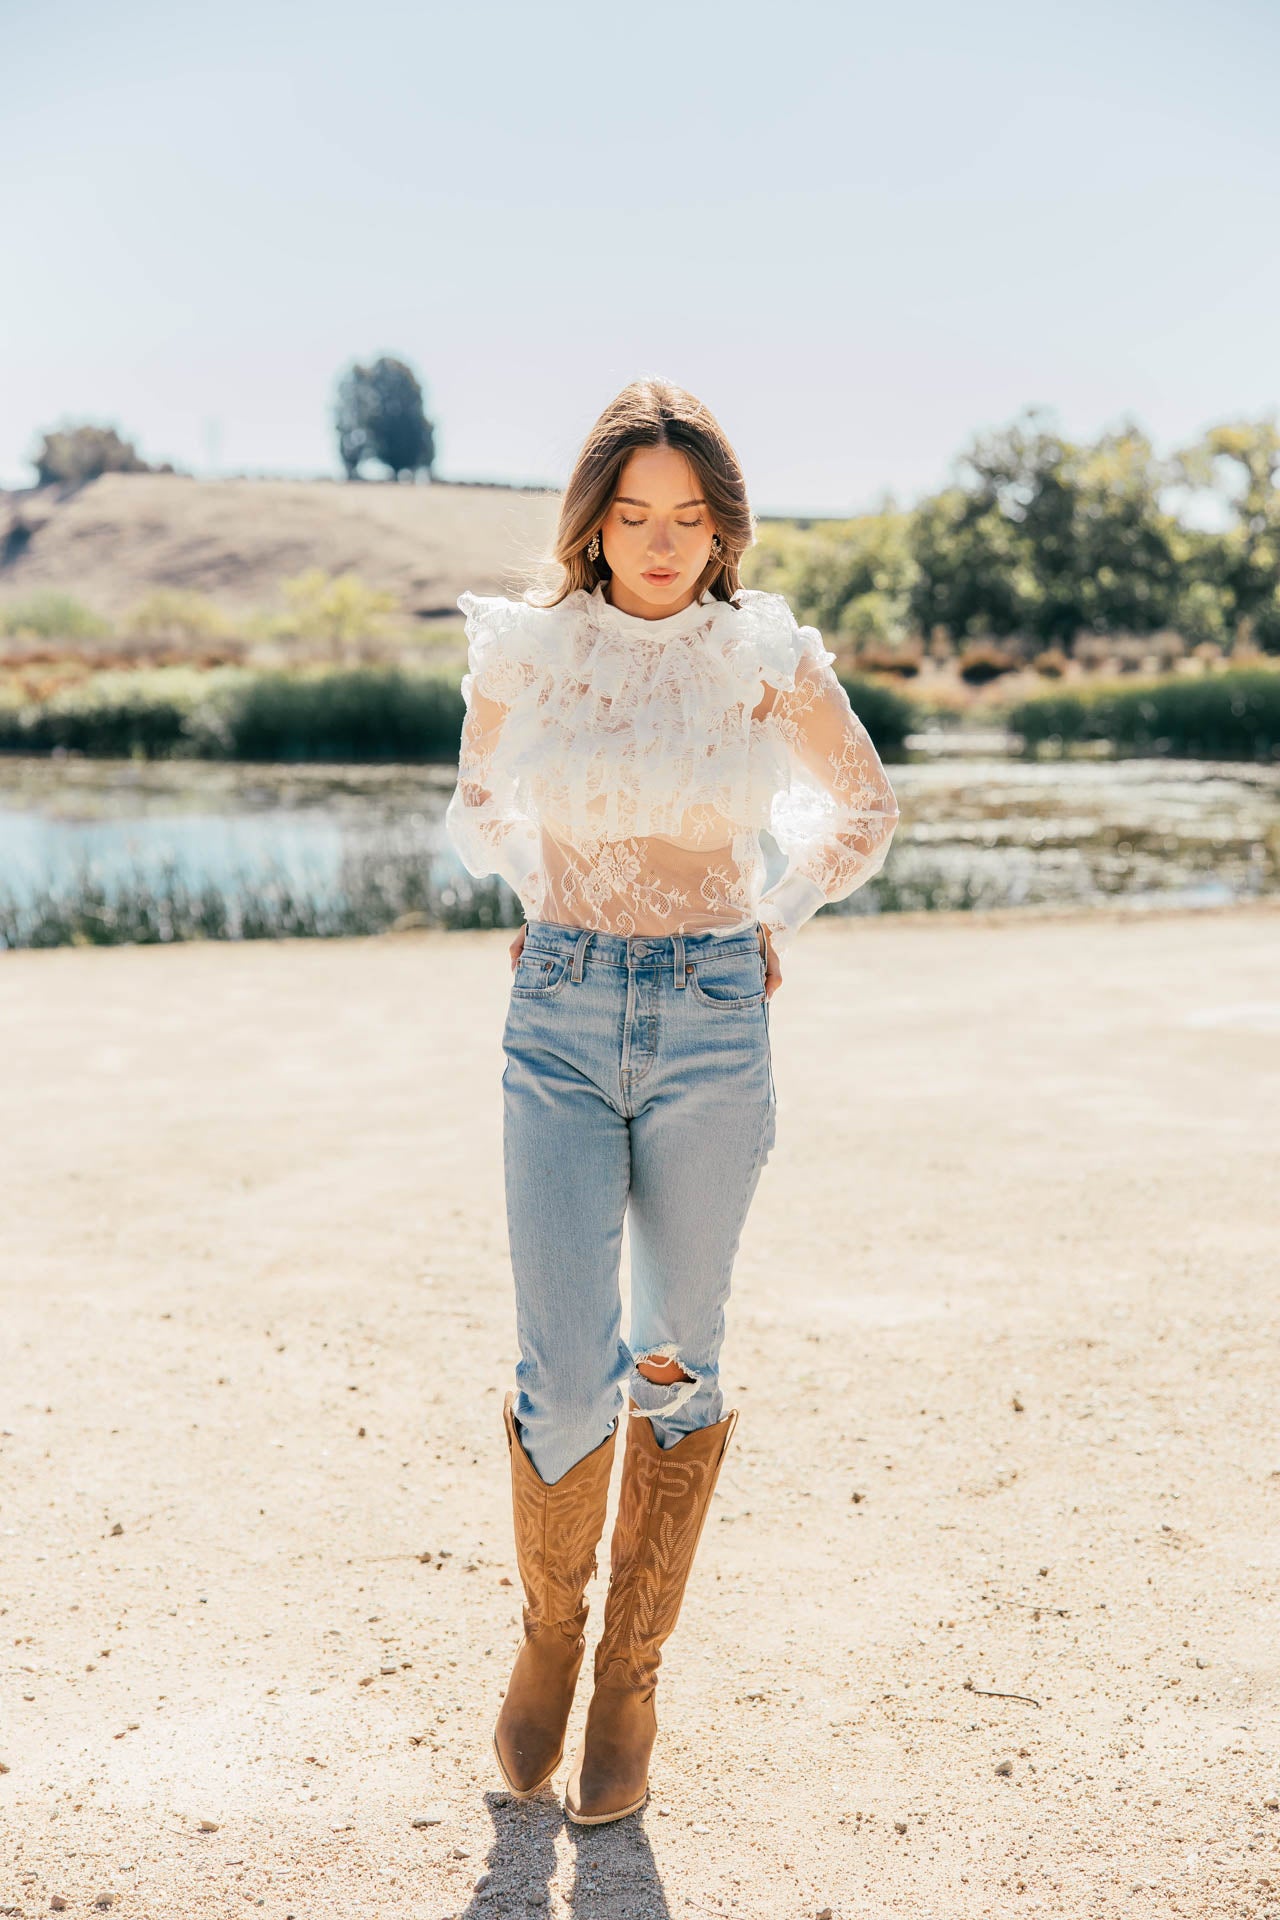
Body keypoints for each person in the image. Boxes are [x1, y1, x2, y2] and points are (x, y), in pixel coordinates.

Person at [444, 377, 899, 1825]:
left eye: (687, 518)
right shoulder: (531, 649)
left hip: (712, 1016)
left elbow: (863, 809)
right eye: (633, 514)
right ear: (595, 523)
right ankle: (549, 1638)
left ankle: (631, 1678)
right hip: (560, 1014)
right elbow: (478, 802)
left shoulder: (760, 655)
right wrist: (546, 895)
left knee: (675, 1358)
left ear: (721, 530)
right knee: (562, 1371)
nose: (659, 542)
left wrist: (775, 912)